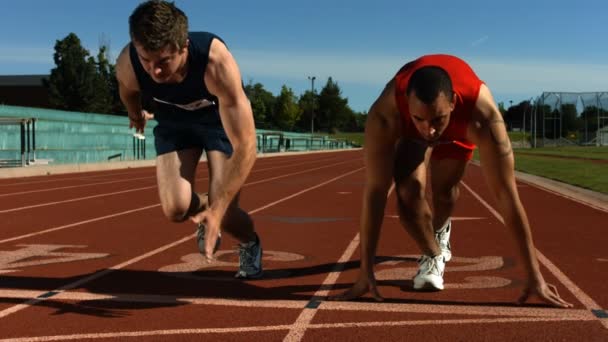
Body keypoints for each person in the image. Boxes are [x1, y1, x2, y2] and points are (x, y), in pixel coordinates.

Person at [332, 54, 572, 308]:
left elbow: (506, 196)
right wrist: (364, 273)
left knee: (444, 193)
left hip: (459, 128)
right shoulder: (385, 114)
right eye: (420, 120)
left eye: (437, 119)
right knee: (407, 197)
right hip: (410, 130)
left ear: (453, 103)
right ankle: (434, 253)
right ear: (406, 105)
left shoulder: (484, 119)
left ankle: (441, 228)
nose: (430, 131)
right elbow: (376, 192)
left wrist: (535, 277)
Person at [115, 0, 262, 279]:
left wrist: (218, 210)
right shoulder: (129, 63)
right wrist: (135, 114)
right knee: (175, 209)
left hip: (218, 122)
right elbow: (127, 91)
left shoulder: (215, 63)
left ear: (183, 46)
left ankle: (250, 243)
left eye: (163, 61)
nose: (154, 71)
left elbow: (246, 145)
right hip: (173, 123)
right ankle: (208, 205)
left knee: (227, 214)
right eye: (146, 60)